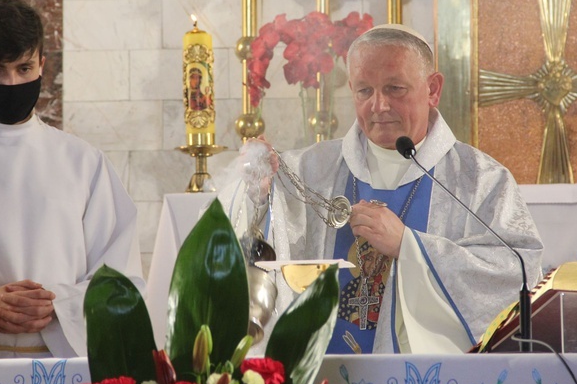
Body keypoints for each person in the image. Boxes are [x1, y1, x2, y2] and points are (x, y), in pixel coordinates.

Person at [231, 24, 544, 355]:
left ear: (433, 89)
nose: (378, 106)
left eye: (395, 88)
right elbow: (252, 253)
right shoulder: (307, 171)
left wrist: (409, 246)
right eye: (364, 91)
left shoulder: (481, 179)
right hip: (325, 377)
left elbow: (519, 274)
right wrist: (258, 194)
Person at [0, 0, 145, 359]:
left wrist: (56, 303)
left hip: (62, 366)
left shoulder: (84, 164)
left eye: (24, 69)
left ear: (42, 65)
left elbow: (123, 283)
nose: (10, 84)